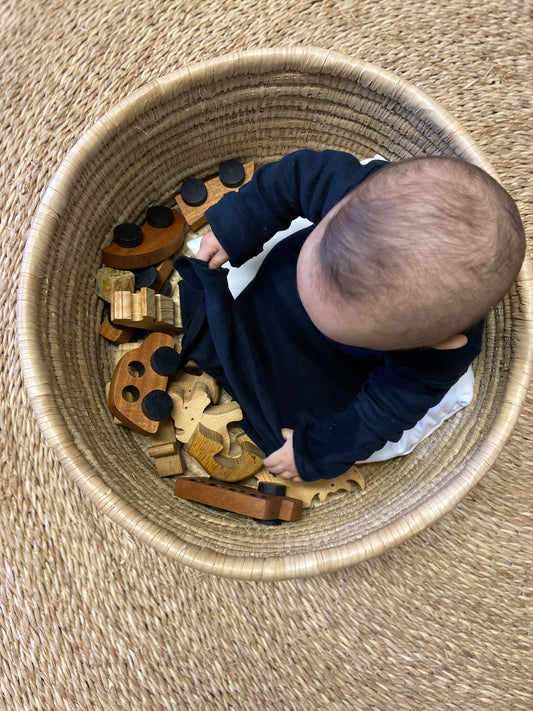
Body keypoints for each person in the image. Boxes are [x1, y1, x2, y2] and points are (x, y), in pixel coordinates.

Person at [173, 150, 525, 482]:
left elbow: (381, 413)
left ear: (436, 343)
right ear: (341, 203)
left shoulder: (437, 357)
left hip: (331, 368)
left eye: (344, 328)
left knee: (299, 432)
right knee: (210, 301)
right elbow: (290, 180)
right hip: (274, 292)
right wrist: (238, 224)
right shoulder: (357, 192)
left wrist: (318, 448)